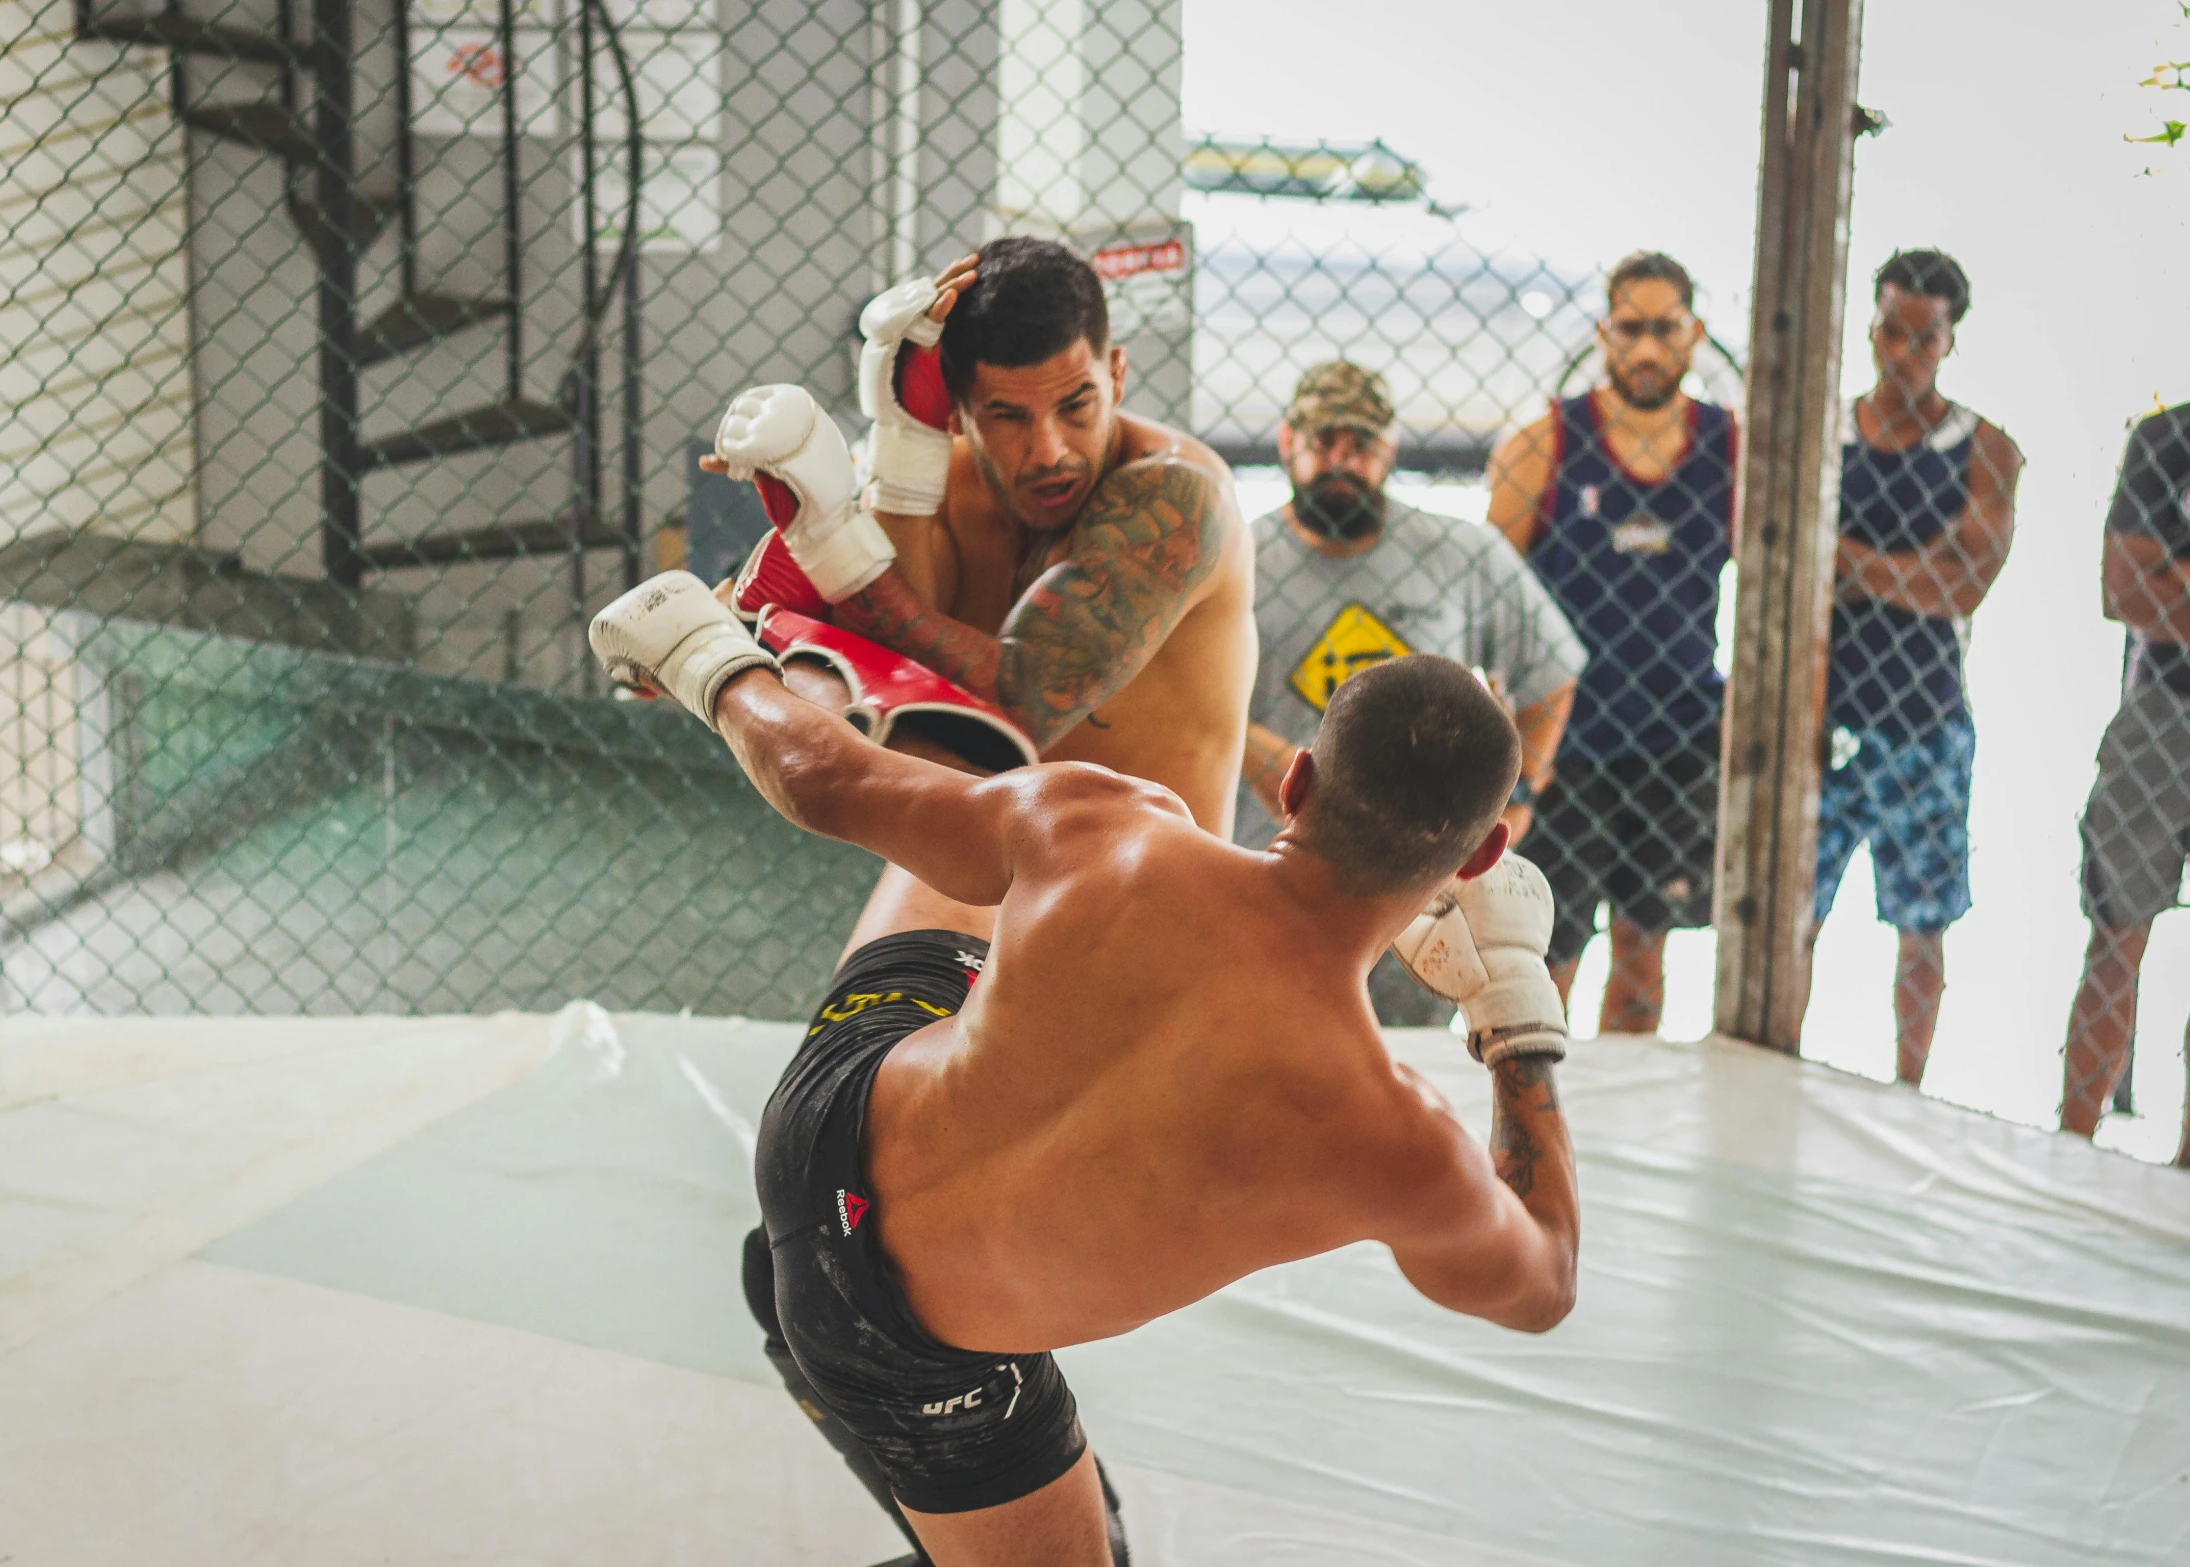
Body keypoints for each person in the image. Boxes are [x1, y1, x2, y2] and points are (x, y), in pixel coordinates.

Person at [590, 573, 1581, 1567]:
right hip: (902, 1337)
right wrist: (1512, 1009)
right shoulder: (1393, 1139)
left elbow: (823, 779)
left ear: (1296, 783)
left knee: (981, 817)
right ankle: (811, 1317)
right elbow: (1541, 1282)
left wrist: (703, 657)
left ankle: (851, 601)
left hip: (826, 1098)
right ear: (1478, 855)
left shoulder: (1100, 824)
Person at [718, 236, 1257, 951]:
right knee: (853, 1050)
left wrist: (833, 547)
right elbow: (893, 670)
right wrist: (897, 448)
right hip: (976, 873)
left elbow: (1018, 703)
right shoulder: (933, 479)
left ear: (1116, 373)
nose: (1049, 451)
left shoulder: (1176, 501)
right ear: (954, 409)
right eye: (1007, 416)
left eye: (1075, 405)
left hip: (1147, 899)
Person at [1240, 360, 1584, 1027]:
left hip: (1415, 883)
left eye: (1361, 445)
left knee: (1405, 1059)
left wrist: (1523, 791)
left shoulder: (1459, 554)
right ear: (1286, 442)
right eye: (1322, 442)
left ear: (1390, 450)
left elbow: (1551, 668)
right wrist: (1251, 749)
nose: (1341, 461)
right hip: (1265, 865)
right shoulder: (1239, 558)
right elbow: (1191, 697)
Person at [1487, 251, 1737, 1035]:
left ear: (1694, 335)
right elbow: (1491, 597)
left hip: (1677, 733)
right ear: (1602, 333)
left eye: (1665, 328)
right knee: (1547, 955)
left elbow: (1775, 582)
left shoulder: (1730, 447)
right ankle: (1532, 1124)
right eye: (1630, 328)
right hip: (1567, 740)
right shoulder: (1546, 442)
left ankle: (1619, 1140)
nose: (1647, 348)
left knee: (1642, 952)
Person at [1803, 249, 2024, 1087]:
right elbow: (1788, 560)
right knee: (1793, 917)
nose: (1901, 352)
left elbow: (1963, 586)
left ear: (1948, 340)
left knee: (1920, 925)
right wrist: (1910, 568)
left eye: (1921, 338)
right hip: (1819, 714)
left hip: (1924, 717)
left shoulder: (1984, 448)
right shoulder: (1825, 431)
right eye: (1889, 331)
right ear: (1870, 324)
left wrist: (1848, 559)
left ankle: (1908, 1090)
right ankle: (1771, 1062)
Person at [2061, 400, 2190, 1166]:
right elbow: (2123, 588)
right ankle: (2069, 1156)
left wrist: (2171, 573)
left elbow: (2155, 583)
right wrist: (2157, 581)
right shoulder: (2167, 437)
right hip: (2158, 714)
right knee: (2114, 937)